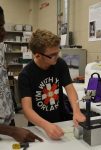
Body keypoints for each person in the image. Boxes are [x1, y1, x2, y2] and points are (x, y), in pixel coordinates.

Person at [18, 29, 86, 140]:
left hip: (61, 121)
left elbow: (70, 89)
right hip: (38, 126)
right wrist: (46, 126)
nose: (57, 56)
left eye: (57, 52)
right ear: (37, 55)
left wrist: (77, 111)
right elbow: (27, 110)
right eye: (52, 55)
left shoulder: (60, 64)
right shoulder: (25, 75)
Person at [0, 6, 43, 142]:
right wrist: (12, 131)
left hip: (7, 120)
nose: (4, 32)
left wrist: (10, 124)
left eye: (3, 26)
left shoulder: (0, 47)